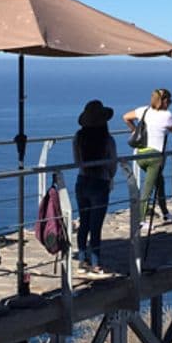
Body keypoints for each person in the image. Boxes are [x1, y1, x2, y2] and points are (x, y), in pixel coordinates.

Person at [73, 100, 117, 276]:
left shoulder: (78, 137)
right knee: (95, 225)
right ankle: (96, 261)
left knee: (84, 221)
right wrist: (110, 177)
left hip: (82, 181)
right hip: (100, 182)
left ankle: (82, 257)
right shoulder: (107, 140)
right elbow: (112, 164)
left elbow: (77, 161)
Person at [124, 88, 172, 225]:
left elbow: (126, 117)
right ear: (165, 101)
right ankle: (141, 220)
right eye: (169, 101)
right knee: (148, 188)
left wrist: (135, 130)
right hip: (155, 157)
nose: (170, 103)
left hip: (140, 154)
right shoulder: (167, 115)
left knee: (160, 183)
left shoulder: (144, 110)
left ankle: (165, 213)